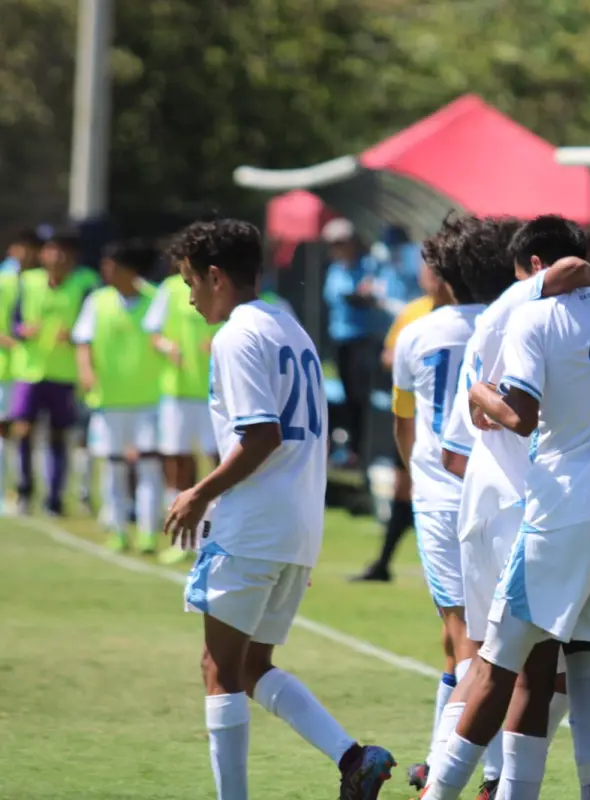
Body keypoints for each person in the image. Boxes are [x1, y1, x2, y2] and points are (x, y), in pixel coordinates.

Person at [421, 215, 590, 799]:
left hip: (562, 514)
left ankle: (436, 796)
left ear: (534, 269)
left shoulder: (528, 316)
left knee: (496, 667)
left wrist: (479, 393)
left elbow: (522, 416)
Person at [163, 218, 395, 800]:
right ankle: (354, 758)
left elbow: (261, 435)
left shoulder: (236, 336)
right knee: (250, 667)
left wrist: (200, 493)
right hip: (296, 526)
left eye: (191, 281)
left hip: (253, 524)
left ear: (216, 276)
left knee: (219, 671)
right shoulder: (290, 328)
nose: (189, 296)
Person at [391, 216, 495, 791]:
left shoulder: (417, 332)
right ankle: (449, 762)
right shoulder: (507, 320)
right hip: (503, 493)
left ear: (444, 275)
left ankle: (461, 774)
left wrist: (415, 474)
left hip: (441, 493)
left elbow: (404, 423)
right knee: (483, 638)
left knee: (464, 638)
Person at [73, 241, 163, 554]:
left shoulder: (155, 298)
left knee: (150, 466)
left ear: (130, 270)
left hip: (149, 398)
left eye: (112, 266)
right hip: (110, 399)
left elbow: (165, 337)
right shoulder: (98, 301)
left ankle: (149, 533)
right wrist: (86, 372)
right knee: (114, 466)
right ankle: (119, 530)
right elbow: (82, 341)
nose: (106, 271)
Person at [351, 260, 438, 583]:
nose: (425, 274)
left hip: (445, 423)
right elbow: (389, 355)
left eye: (430, 269)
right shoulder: (413, 312)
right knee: (404, 487)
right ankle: (384, 562)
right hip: (415, 414)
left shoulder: (465, 314)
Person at [9, 228, 100, 515]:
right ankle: (24, 490)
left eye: (63, 251)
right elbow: (14, 321)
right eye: (51, 249)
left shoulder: (86, 284)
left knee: (60, 436)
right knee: (22, 430)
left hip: (66, 373)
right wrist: (23, 330)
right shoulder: (29, 281)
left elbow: (93, 327)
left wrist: (73, 336)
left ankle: (55, 498)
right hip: (30, 370)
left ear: (73, 256)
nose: (56, 256)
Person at [143, 253, 223, 565]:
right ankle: (180, 535)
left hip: (214, 393)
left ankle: (214, 532)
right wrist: (168, 347)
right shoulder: (169, 290)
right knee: (177, 460)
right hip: (177, 392)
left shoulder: (221, 288)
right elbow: (153, 332)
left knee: (218, 461)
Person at [322, 218, 387, 465]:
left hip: (365, 339)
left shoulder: (369, 265)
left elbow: (376, 292)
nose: (338, 248)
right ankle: (353, 446)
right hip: (343, 338)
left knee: (363, 394)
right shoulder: (336, 270)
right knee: (349, 394)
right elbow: (339, 297)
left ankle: (365, 445)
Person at [0, 228, 42, 512]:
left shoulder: (36, 281)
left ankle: (21, 491)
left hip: (27, 370)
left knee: (23, 433)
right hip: (4, 368)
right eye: (21, 247)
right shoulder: (4, 280)